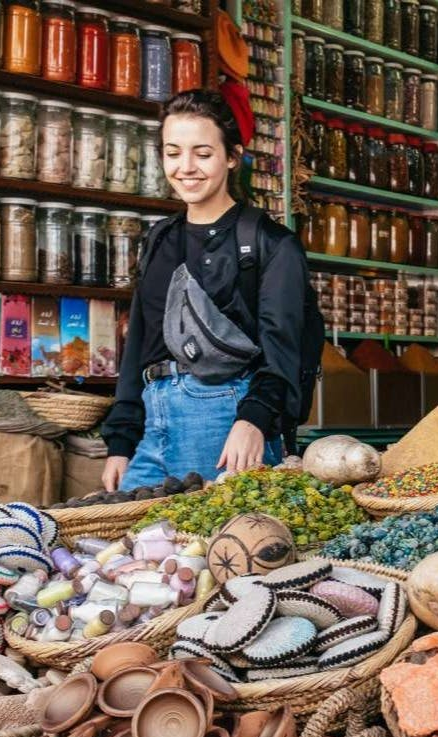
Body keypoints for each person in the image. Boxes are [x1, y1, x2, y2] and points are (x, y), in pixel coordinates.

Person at [101, 88, 311, 491]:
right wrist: (121, 442)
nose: (186, 167)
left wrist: (253, 421)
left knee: (207, 549)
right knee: (131, 544)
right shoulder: (160, 240)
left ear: (232, 156)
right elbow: (140, 344)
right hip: (154, 417)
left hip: (222, 417)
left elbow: (284, 348)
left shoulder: (271, 243)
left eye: (203, 152)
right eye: (173, 152)